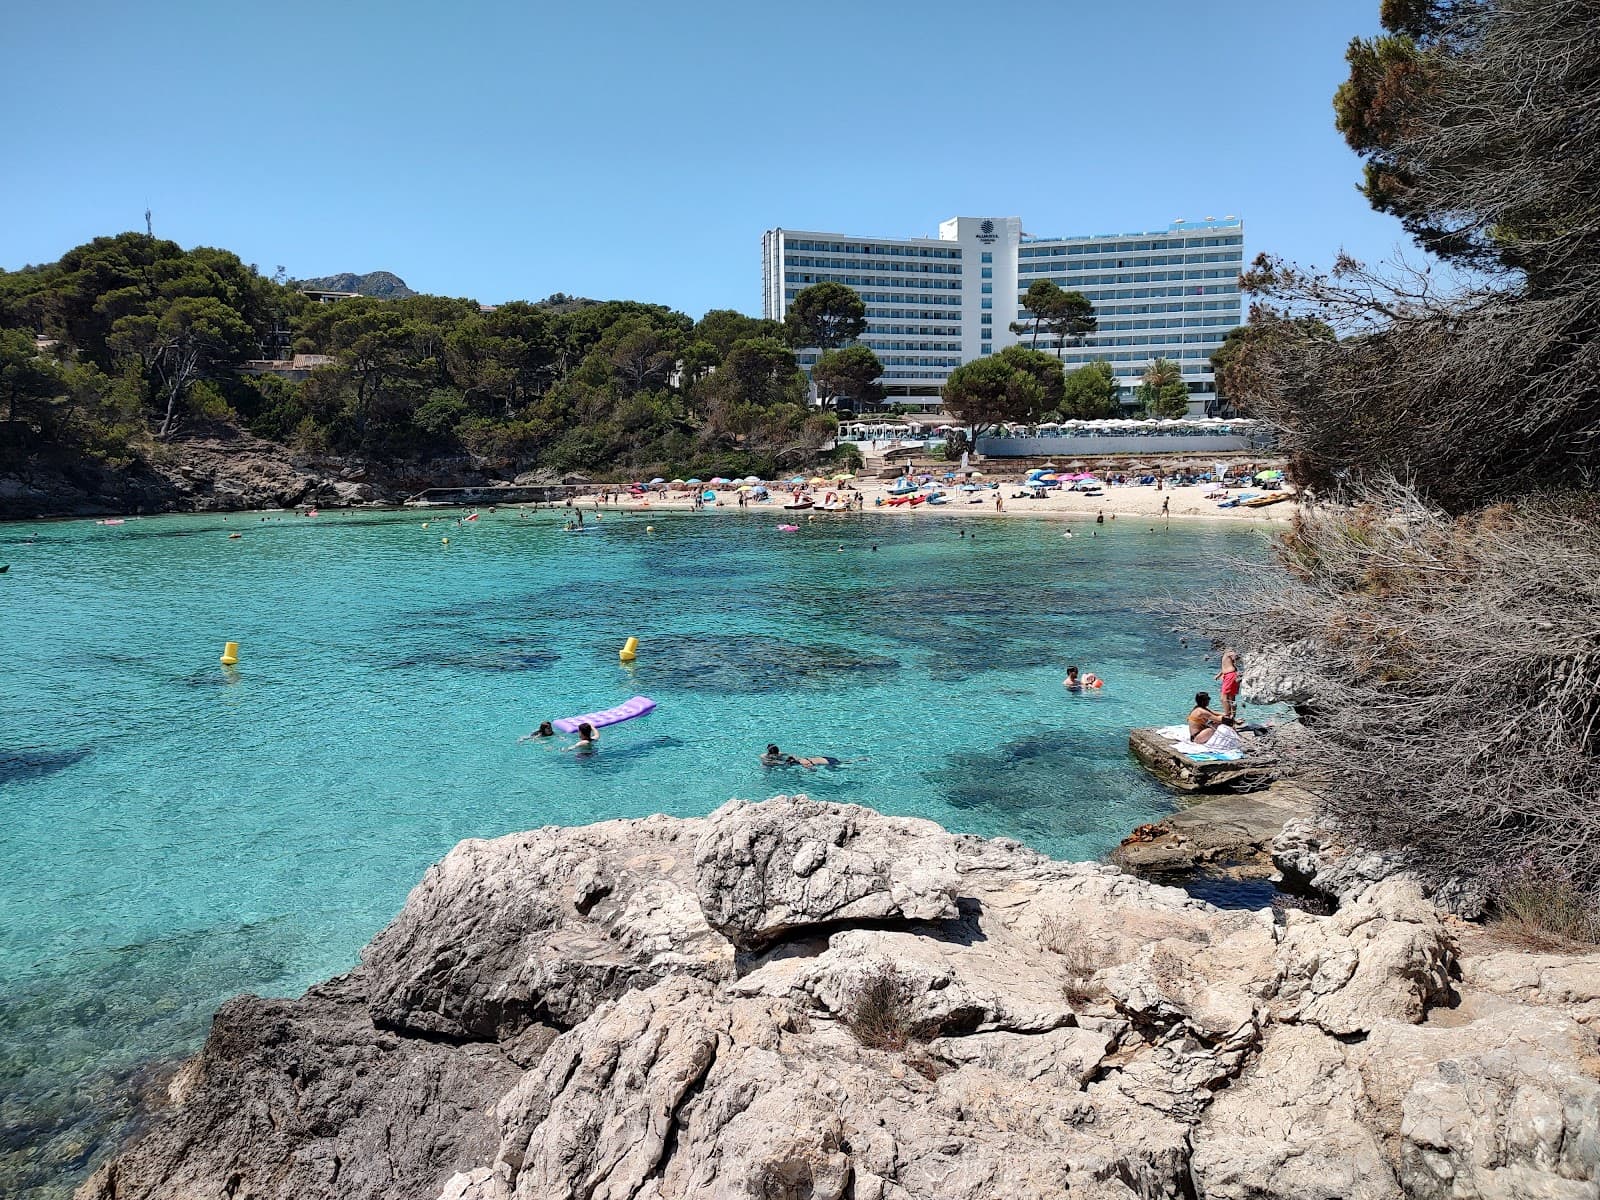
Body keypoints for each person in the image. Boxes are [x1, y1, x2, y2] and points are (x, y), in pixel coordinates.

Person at [760, 743, 839, 769]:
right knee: (845, 763)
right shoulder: (783, 755)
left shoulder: (765, 757)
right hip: (826, 759)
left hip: (828, 762)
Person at [1216, 648, 1241, 719]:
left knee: (1224, 698)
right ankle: (1232, 717)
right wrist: (1219, 674)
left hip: (1230, 676)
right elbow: (1225, 666)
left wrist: (1234, 655)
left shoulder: (1227, 653)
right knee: (1231, 698)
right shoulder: (1226, 656)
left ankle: (1227, 716)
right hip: (1232, 676)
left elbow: (1234, 654)